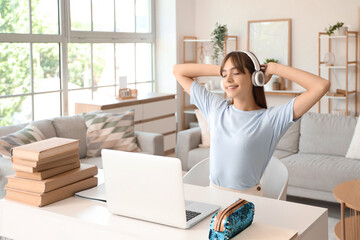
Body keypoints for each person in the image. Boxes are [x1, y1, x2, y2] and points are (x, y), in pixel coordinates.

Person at [173, 51, 330, 196]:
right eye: (224, 75)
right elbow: (178, 70)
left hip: (247, 204)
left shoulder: (271, 119)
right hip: (214, 197)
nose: (228, 80)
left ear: (255, 77)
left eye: (236, 73)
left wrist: (273, 68)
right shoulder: (215, 108)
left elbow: (321, 86)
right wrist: (224, 69)